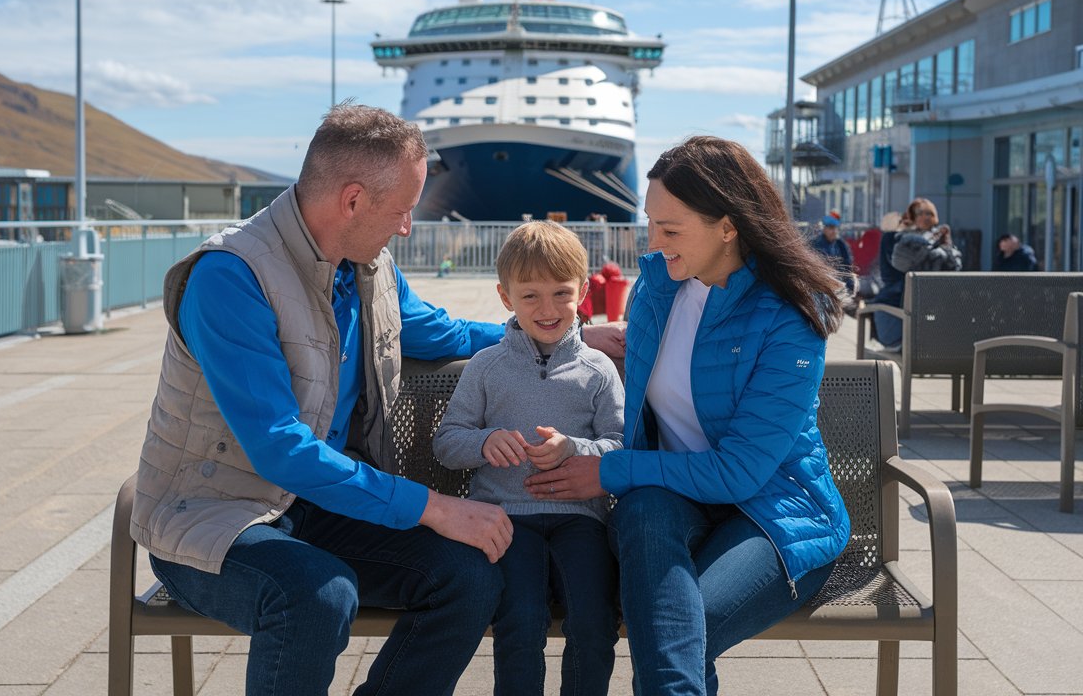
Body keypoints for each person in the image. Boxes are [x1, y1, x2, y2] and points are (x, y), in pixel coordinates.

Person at [128, 103, 624, 696]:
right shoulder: (230, 278)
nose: (409, 225)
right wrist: (432, 507)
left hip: (318, 509)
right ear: (354, 200)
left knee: (470, 578)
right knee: (316, 595)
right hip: (218, 518)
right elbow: (278, 449)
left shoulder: (372, 268)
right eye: (403, 209)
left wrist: (563, 335)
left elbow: (444, 333)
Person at [522, 135, 850, 696]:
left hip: (774, 513)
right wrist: (576, 339)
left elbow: (741, 471)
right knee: (647, 516)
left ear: (728, 225)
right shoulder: (656, 289)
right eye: (651, 223)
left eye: (670, 230)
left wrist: (608, 471)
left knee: (676, 636)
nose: (653, 243)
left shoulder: (788, 316)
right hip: (666, 500)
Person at [434, 221, 624, 696]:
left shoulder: (597, 369)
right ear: (505, 297)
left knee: (594, 622)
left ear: (582, 291)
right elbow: (446, 442)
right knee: (519, 623)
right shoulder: (486, 366)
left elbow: (623, 446)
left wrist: (574, 449)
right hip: (506, 521)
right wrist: (485, 441)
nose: (548, 309)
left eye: (562, 293)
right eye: (530, 295)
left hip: (581, 521)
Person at [869, 198, 962, 350]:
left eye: (929, 213)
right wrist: (930, 245)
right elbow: (902, 266)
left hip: (932, 308)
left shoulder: (938, 241)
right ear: (911, 218)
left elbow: (955, 269)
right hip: (904, 306)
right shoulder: (899, 240)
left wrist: (946, 245)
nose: (925, 217)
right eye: (919, 214)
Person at [810, 211, 856, 296]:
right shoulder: (815, 244)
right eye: (831, 228)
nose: (834, 231)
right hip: (822, 286)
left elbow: (847, 266)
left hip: (839, 285)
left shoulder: (841, 245)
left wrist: (849, 284)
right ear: (824, 229)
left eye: (835, 228)